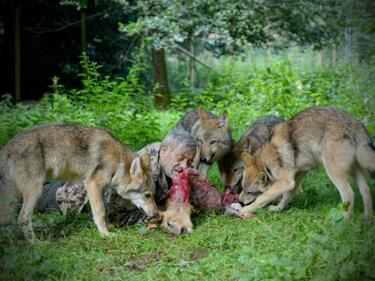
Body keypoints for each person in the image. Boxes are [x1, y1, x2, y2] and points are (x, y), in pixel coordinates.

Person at [37, 127, 197, 226]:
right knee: (32, 197)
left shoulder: (163, 160)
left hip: (79, 183)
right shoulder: (148, 174)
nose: (185, 166)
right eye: (181, 158)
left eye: (189, 161)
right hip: (69, 199)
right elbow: (117, 216)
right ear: (164, 150)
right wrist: (162, 215)